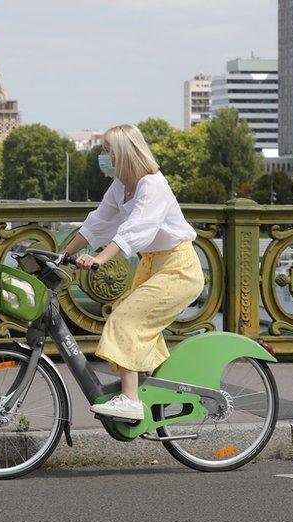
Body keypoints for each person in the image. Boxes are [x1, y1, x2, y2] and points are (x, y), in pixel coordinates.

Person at [61, 124, 204, 421]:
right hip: (154, 265)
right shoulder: (120, 186)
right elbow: (96, 224)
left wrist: (99, 258)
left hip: (178, 268)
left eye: (106, 150)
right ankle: (150, 390)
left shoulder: (152, 184)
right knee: (137, 324)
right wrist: (64, 253)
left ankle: (130, 400)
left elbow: (136, 231)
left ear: (124, 153)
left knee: (126, 320)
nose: (102, 156)